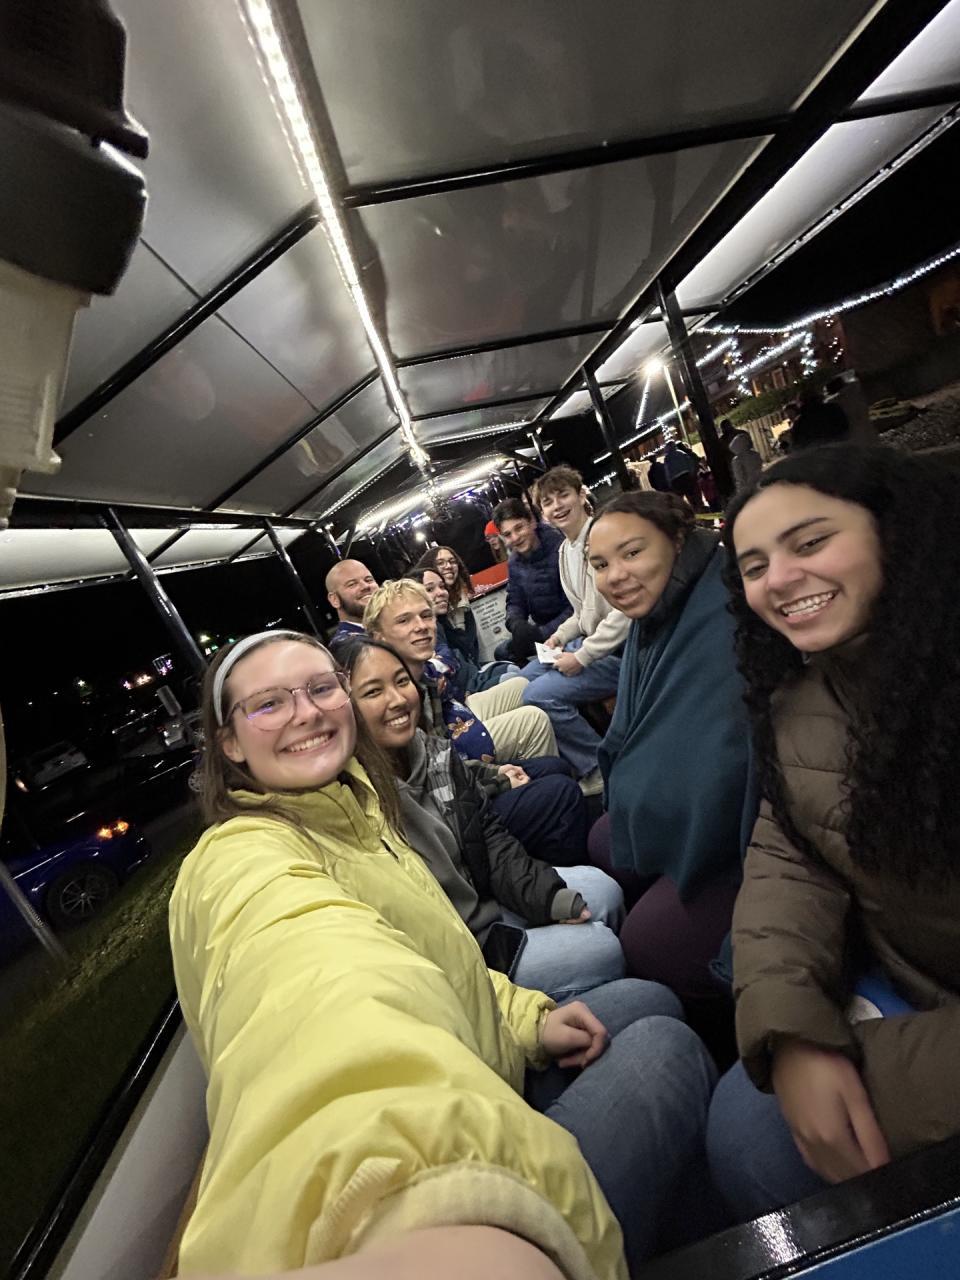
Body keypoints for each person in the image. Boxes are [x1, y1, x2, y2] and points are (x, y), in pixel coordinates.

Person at [168, 628, 719, 1276]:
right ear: (229, 742)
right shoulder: (241, 861)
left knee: (651, 999)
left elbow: (442, 961)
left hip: (483, 1052)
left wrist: (529, 1019)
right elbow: (319, 1006)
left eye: (319, 688)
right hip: (448, 1137)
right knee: (667, 1046)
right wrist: (416, 1207)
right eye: (269, 704)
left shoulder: (358, 811)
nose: (306, 712)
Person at [707, 444, 960, 1221]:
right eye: (754, 566)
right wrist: (788, 1028)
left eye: (811, 542)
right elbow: (787, 854)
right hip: (910, 974)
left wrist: (870, 1068)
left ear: (895, 529)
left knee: (752, 1136)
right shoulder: (807, 697)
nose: (780, 579)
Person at [342, 635, 626, 1001]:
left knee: (606, 891)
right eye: (373, 692)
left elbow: (488, 838)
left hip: (483, 899)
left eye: (401, 681)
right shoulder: (355, 801)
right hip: (462, 951)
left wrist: (546, 897)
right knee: (603, 949)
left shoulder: (433, 753)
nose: (397, 699)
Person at [587, 491, 755, 1004]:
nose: (615, 576)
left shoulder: (720, 609)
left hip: (743, 842)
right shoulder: (659, 611)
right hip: (697, 810)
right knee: (602, 837)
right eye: (600, 564)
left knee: (647, 943)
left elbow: (723, 761)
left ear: (678, 540)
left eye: (632, 553)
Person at [519, 466, 630, 796]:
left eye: (563, 495)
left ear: (582, 495)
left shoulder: (602, 540)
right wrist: (560, 637)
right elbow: (583, 613)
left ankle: (597, 767)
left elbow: (625, 612)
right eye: (548, 502)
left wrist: (581, 656)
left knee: (537, 695)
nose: (557, 506)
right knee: (524, 677)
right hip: (592, 643)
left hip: (619, 652)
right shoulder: (565, 549)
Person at [364, 578, 557, 766]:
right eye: (404, 620)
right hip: (453, 750)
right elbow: (435, 756)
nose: (421, 626)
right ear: (378, 637)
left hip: (456, 711)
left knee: (521, 684)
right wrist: (496, 776)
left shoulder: (421, 668)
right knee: (534, 720)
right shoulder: (390, 688)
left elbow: (450, 659)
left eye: (426, 615)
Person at [492, 498, 573, 663]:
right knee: (501, 652)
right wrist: (515, 623)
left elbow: (575, 607)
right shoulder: (514, 562)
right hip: (541, 633)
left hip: (570, 630)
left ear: (532, 522)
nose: (515, 538)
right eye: (507, 534)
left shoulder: (561, 549)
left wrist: (541, 634)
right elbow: (515, 600)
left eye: (519, 528)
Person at [416, 545, 480, 667]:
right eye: (440, 563)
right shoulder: (428, 612)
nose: (448, 566)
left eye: (452, 561)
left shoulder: (463, 599)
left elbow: (472, 644)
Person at [326, 559, 378, 644]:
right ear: (334, 599)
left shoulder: (389, 624)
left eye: (368, 580)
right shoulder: (346, 645)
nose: (365, 586)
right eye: (352, 584)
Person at [662, 439, 704, 509]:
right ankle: (698, 507)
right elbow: (690, 463)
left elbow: (667, 471)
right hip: (686, 476)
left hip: (676, 480)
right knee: (692, 494)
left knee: (682, 498)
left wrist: (670, 482)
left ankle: (691, 509)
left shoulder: (667, 458)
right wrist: (691, 473)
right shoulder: (681, 453)